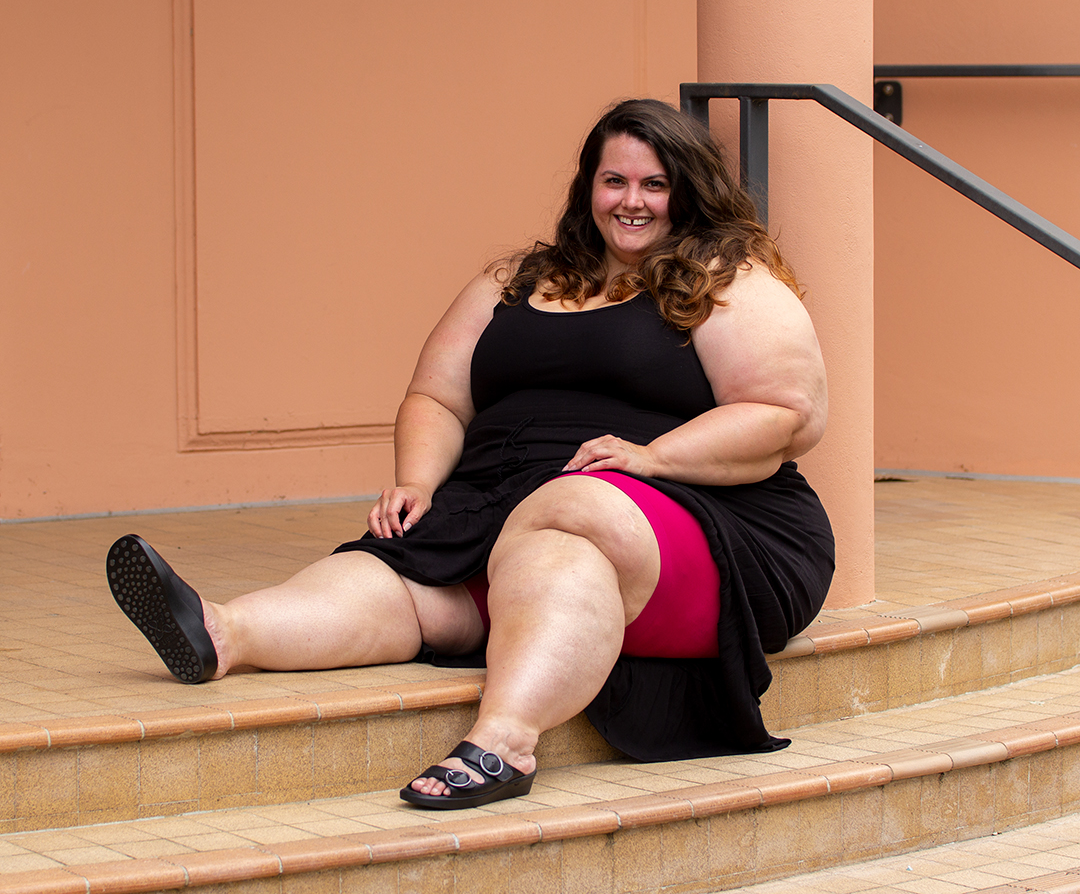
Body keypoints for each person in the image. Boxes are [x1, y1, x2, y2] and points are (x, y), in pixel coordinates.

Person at [106, 98, 834, 811]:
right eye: (615, 181)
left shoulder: (725, 280)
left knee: (566, 518)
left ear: (689, 190)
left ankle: (504, 743)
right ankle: (224, 633)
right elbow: (437, 397)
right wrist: (417, 483)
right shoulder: (518, 281)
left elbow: (785, 414)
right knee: (395, 565)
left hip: (699, 518)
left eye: (655, 183)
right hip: (501, 507)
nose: (632, 201)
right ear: (589, 188)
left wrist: (653, 457)